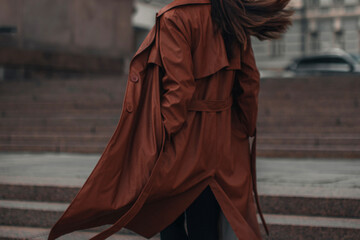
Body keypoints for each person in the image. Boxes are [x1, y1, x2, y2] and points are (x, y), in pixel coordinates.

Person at [48, 0, 293, 240]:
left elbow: (179, 88)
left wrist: (161, 136)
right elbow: (250, 81)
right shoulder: (230, 12)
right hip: (225, 140)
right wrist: (243, 128)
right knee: (206, 224)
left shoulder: (175, 17)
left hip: (184, 140)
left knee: (168, 218)